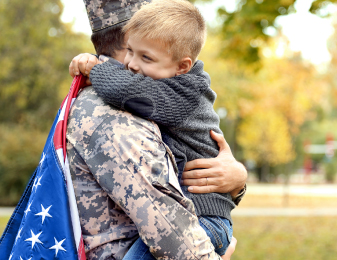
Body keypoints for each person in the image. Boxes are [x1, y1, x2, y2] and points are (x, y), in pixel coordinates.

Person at [67, 0, 247, 259]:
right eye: (130, 51)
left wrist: (96, 69)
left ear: (182, 66)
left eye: (146, 57)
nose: (132, 65)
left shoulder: (180, 92)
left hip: (206, 220)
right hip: (196, 220)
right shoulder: (114, 111)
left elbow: (125, 89)